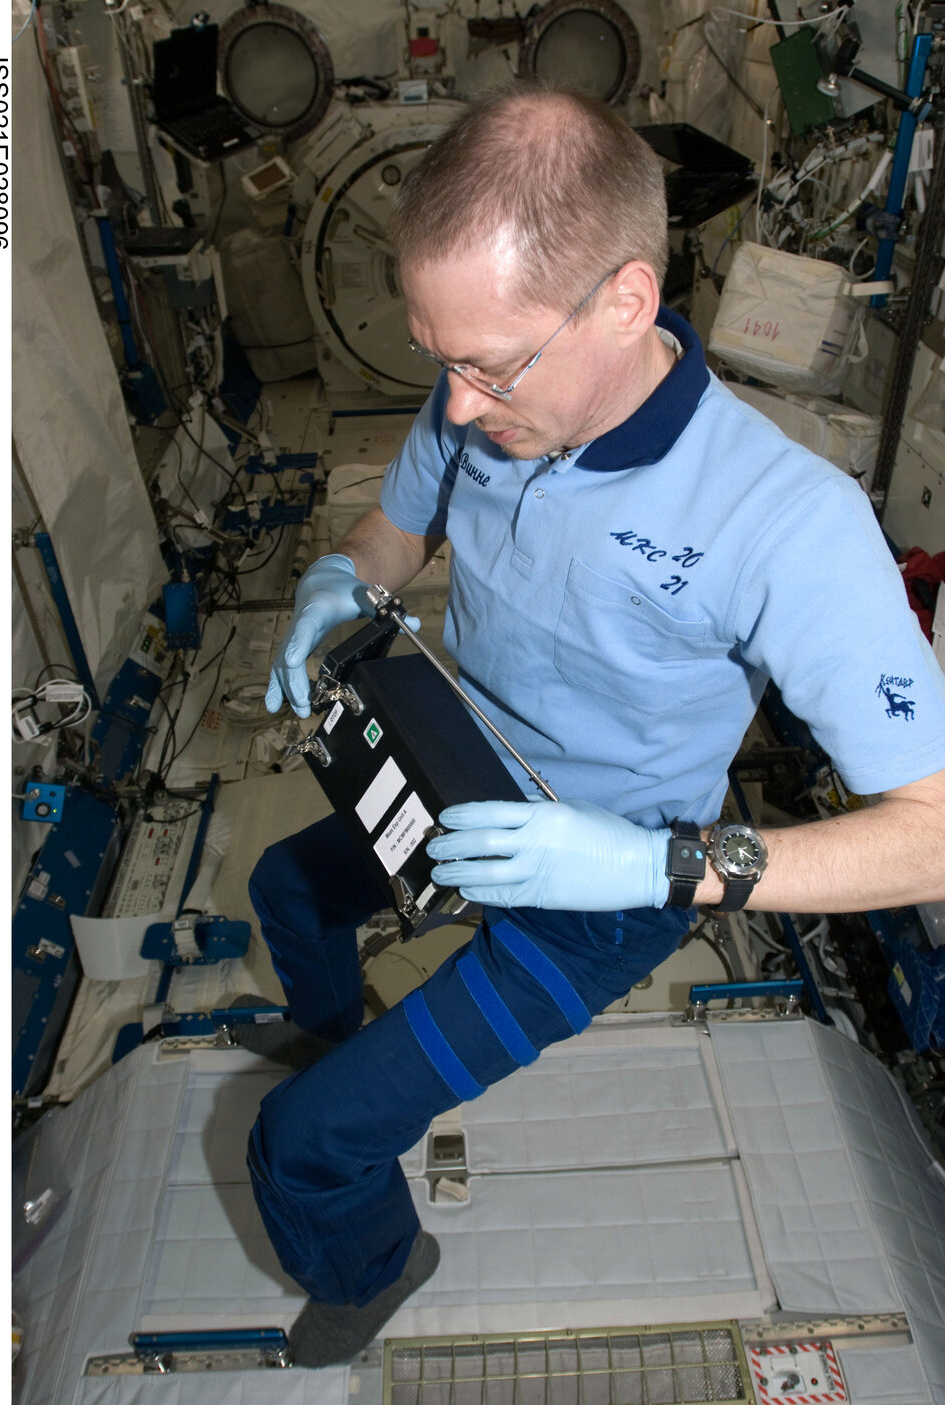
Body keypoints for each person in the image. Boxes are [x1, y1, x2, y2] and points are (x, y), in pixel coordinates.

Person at [241, 82, 945, 1368]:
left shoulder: (786, 523)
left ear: (624, 300)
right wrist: (338, 579)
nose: (455, 405)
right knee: (287, 889)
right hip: (462, 777)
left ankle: (375, 1264)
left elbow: (936, 835)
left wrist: (655, 863)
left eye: (487, 366)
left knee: (294, 1142)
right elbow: (394, 527)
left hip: (609, 885)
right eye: (435, 356)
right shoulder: (488, 396)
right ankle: (348, 1054)